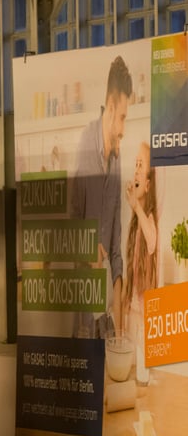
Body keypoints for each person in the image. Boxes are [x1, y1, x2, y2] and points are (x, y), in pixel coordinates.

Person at [68, 54, 132, 339]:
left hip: (106, 314)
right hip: (83, 305)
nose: (123, 129)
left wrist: (118, 318)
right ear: (111, 105)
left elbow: (116, 246)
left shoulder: (117, 161)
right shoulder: (84, 147)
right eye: (122, 118)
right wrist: (89, 246)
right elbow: (69, 228)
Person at [118, 141, 159, 382]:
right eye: (135, 164)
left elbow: (152, 241)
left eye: (140, 165)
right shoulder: (134, 223)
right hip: (132, 310)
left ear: (147, 184)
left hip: (145, 317)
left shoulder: (148, 217)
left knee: (143, 377)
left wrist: (137, 207)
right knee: (131, 373)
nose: (135, 169)